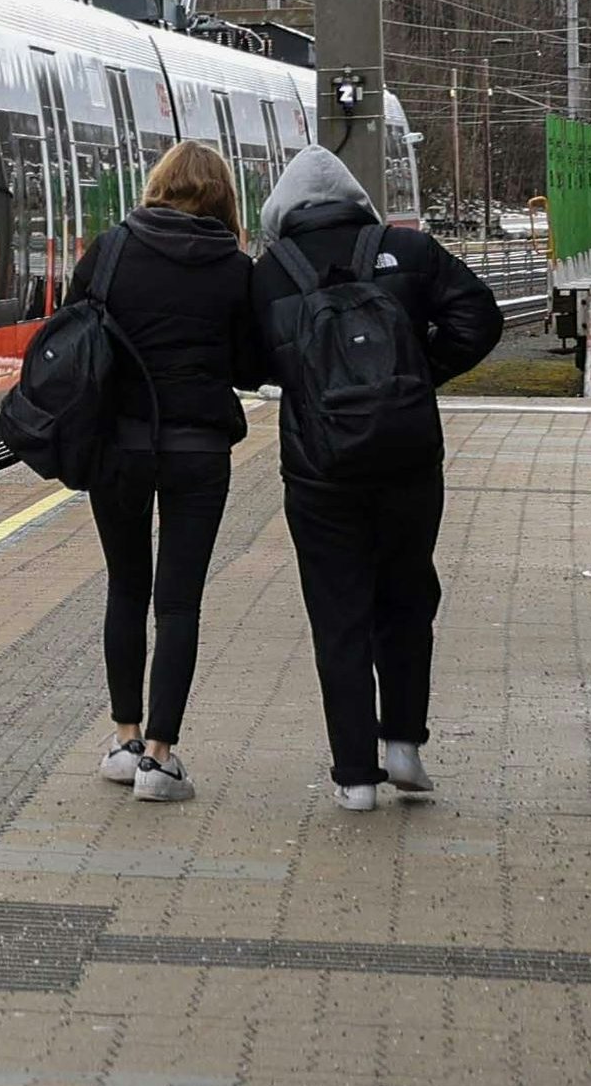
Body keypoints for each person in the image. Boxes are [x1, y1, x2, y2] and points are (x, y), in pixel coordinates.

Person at [248, 144, 502, 810]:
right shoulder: (409, 250)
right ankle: (405, 748)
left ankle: (355, 777)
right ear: (358, 200)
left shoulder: (269, 274)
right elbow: (481, 317)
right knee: (407, 597)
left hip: (319, 470)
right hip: (408, 462)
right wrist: (414, 377)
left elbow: (244, 360)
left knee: (338, 614)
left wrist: (316, 388)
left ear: (281, 212)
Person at [67, 139, 264, 804]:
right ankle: (160, 758)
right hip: (198, 451)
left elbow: (73, 332)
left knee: (126, 586)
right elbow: (250, 367)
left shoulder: (110, 251)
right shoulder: (235, 269)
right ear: (223, 198)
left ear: (158, 187)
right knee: (179, 601)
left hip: (118, 448)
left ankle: (123, 740)